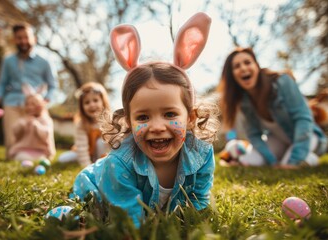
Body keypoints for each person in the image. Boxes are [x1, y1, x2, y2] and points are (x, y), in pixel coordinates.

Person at [71, 12, 219, 227]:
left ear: (190, 118)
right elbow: (127, 216)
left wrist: (193, 223)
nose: (157, 127)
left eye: (170, 114)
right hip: (96, 184)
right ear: (129, 122)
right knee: (94, 210)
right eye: (143, 117)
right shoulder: (120, 162)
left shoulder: (202, 153)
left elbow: (199, 197)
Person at [217, 47, 328, 168]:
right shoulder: (244, 101)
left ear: (257, 66)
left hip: (307, 136)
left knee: (288, 164)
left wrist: (294, 159)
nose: (243, 68)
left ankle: (309, 158)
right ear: (232, 75)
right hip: (278, 139)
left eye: (247, 62)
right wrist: (272, 161)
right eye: (237, 66)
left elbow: (303, 118)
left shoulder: (282, 81)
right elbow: (254, 134)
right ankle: (286, 157)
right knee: (250, 160)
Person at [0, 23, 57, 159]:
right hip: (12, 103)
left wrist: (44, 101)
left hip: (37, 105)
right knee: (12, 141)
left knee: (44, 135)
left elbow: (53, 85)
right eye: (19, 38)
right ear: (14, 40)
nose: (23, 41)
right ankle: (14, 161)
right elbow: (1, 84)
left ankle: (45, 159)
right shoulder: (8, 61)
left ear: (34, 39)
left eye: (26, 37)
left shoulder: (45, 61)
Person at [58, 82, 111, 167]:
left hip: (102, 155)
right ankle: (91, 161)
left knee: (100, 141)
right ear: (82, 107)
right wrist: (87, 167)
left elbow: (112, 145)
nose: (92, 105)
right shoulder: (82, 124)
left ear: (103, 102)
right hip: (86, 153)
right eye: (87, 102)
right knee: (62, 158)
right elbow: (82, 148)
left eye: (95, 100)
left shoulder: (109, 121)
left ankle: (101, 162)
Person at [9, 85, 56, 161]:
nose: (30, 107)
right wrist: (23, 123)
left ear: (40, 106)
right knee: (22, 157)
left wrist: (36, 124)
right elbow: (15, 132)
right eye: (27, 104)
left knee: (40, 159)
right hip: (23, 150)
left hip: (41, 151)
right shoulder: (23, 119)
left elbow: (46, 134)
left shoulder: (45, 120)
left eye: (33, 104)